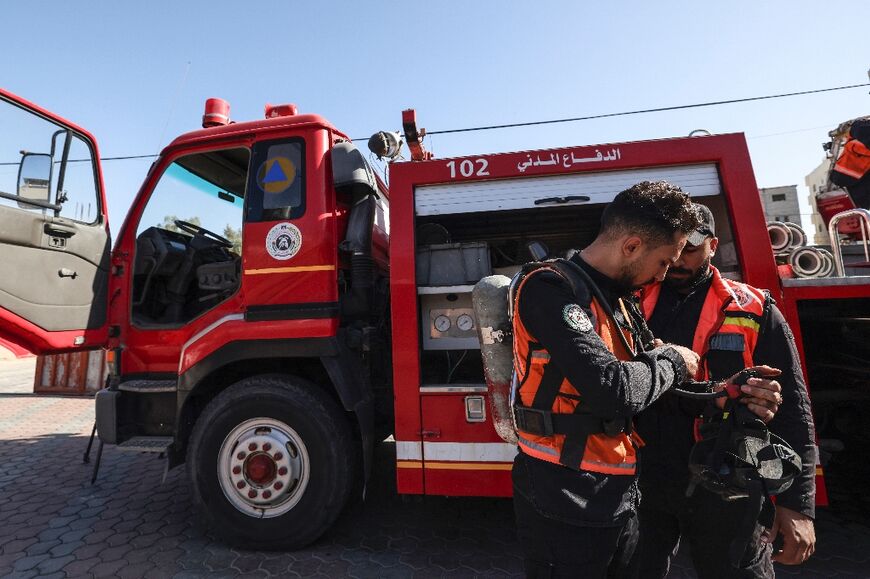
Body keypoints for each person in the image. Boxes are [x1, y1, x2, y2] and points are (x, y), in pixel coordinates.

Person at [511, 180, 719, 577]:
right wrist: (673, 359)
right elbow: (614, 389)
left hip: (619, 489)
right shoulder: (550, 288)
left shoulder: (620, 298)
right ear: (631, 246)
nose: (663, 275)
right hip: (563, 494)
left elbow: (646, 379)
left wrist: (725, 392)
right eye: (663, 262)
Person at [633, 203, 818, 578]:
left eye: (691, 248)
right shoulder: (628, 302)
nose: (678, 260)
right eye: (673, 248)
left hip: (727, 483)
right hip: (641, 482)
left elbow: (795, 409)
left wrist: (798, 505)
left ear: (713, 245)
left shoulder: (757, 308)